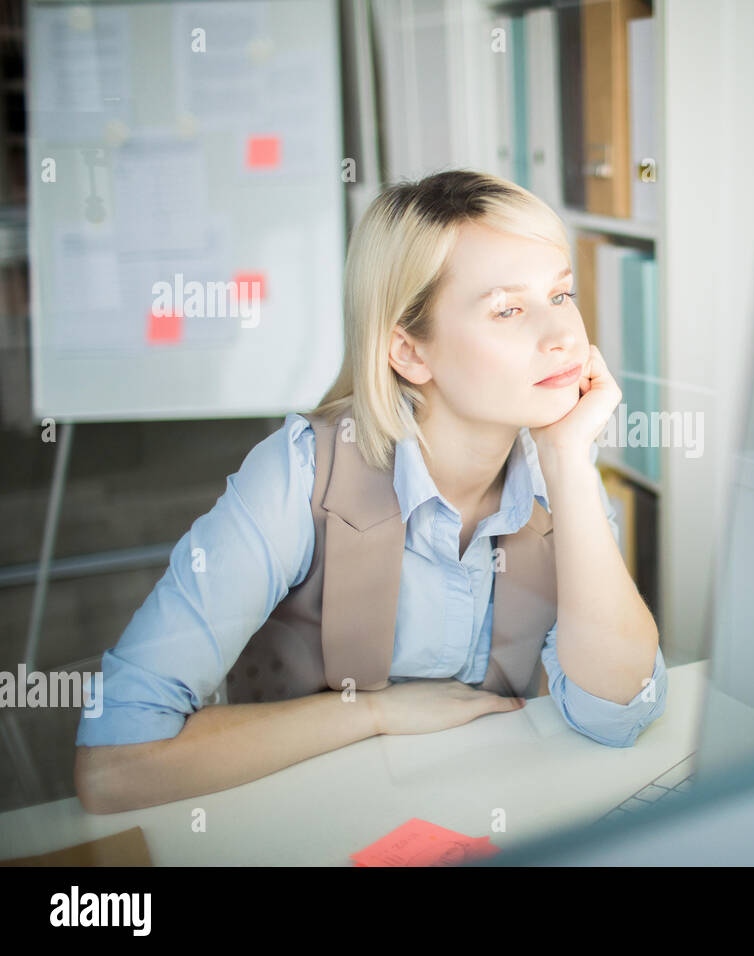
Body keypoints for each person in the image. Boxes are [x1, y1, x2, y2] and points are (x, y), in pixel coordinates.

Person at [74, 170, 668, 814]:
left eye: (562, 295)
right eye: (508, 309)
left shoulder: (561, 471)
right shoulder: (300, 474)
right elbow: (115, 764)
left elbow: (616, 716)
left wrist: (568, 463)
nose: (563, 337)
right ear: (410, 354)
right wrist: (374, 714)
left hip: (486, 814)